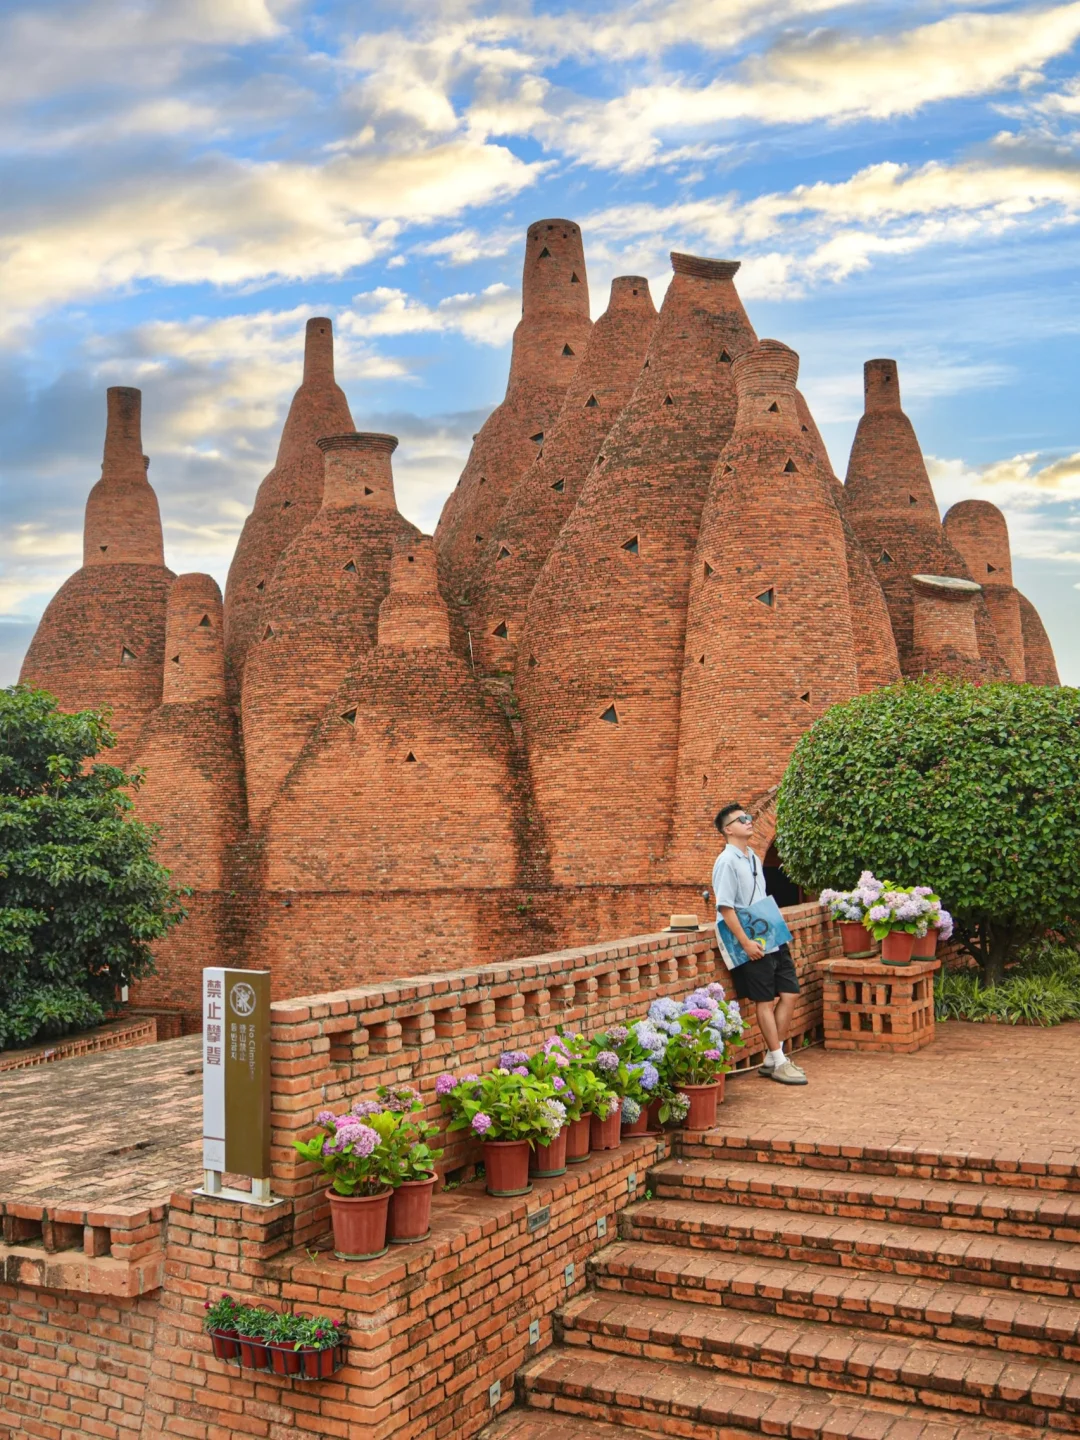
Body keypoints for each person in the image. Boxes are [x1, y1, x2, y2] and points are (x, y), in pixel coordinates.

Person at [712, 803, 807, 1085]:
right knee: (764, 1000)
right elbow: (725, 907)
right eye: (741, 819)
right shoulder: (726, 861)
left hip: (771, 934)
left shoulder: (751, 855)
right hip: (750, 939)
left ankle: (770, 1056)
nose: (749, 821)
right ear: (728, 829)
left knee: (789, 993)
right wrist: (746, 943)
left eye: (749, 817)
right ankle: (779, 1060)